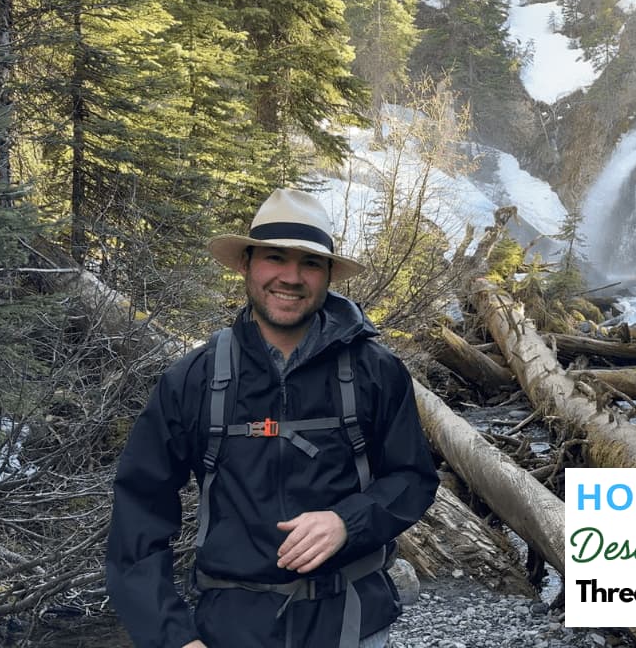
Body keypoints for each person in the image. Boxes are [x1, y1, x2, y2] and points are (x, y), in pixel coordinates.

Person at [106, 188, 439, 648]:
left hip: (350, 624)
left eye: (309, 263)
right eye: (275, 258)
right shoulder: (194, 379)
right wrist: (172, 637)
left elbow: (412, 478)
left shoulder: (375, 371)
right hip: (227, 630)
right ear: (246, 264)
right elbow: (138, 514)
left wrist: (348, 521)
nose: (291, 277)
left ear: (327, 276)